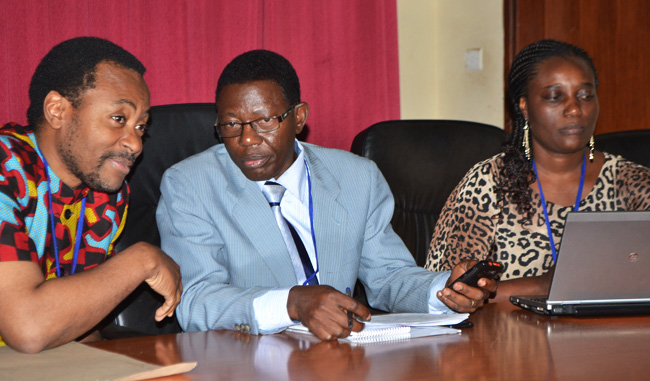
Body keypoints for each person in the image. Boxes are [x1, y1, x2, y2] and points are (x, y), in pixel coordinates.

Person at [156, 49, 496, 341]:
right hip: (247, 364)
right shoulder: (190, 185)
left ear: (299, 117)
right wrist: (293, 303)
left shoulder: (357, 177)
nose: (246, 140)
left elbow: (389, 276)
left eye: (264, 122)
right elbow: (196, 301)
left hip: (345, 357)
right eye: (231, 125)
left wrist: (445, 290)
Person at [425, 39, 650, 301]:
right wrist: (544, 285)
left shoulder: (633, 183)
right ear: (524, 106)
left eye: (585, 96)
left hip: (611, 339)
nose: (575, 109)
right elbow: (450, 293)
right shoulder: (488, 183)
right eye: (556, 97)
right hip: (503, 341)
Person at [0, 37, 182, 353]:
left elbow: (75, 326)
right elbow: (27, 328)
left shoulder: (105, 196)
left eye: (141, 126)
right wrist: (143, 260)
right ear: (57, 110)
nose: (136, 144)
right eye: (119, 119)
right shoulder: (6, 170)